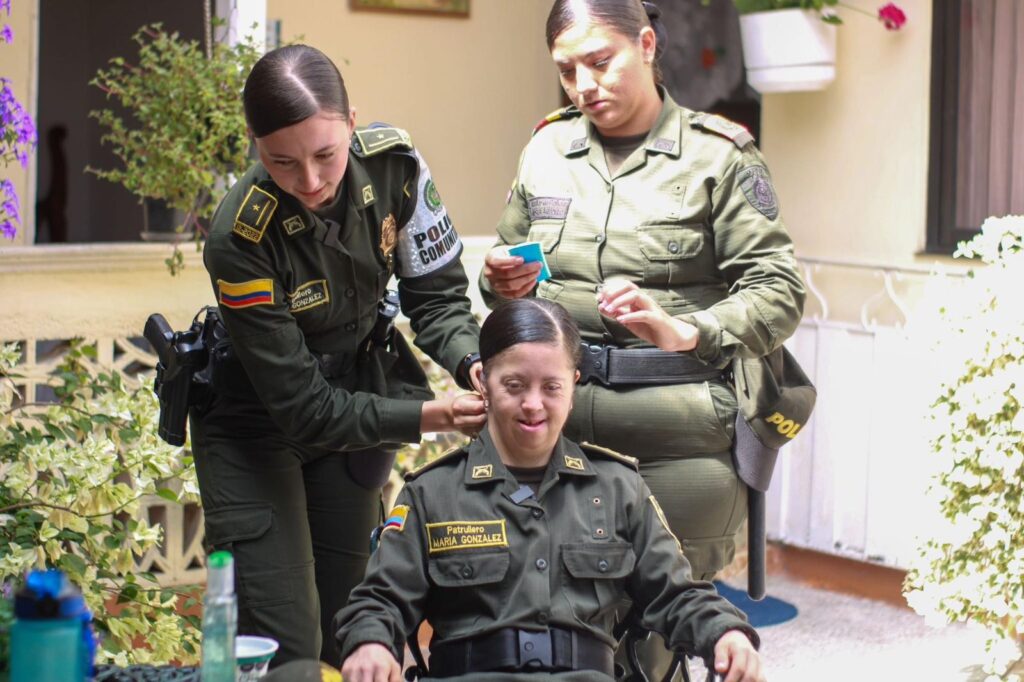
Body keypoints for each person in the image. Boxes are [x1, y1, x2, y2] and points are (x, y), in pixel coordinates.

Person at [480, 0, 805, 677]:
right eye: (569, 71)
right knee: (551, 631)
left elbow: (779, 290)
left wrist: (690, 328)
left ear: (648, 45)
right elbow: (510, 276)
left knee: (656, 634)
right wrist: (501, 283)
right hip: (555, 435)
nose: (585, 85)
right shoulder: (547, 148)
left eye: (602, 62)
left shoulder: (719, 156)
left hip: (676, 436)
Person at [191, 44, 485, 668]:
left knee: (353, 626)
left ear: (353, 121)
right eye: (282, 162)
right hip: (258, 426)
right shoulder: (239, 237)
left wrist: (469, 362)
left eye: (325, 154)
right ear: (255, 146)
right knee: (288, 649)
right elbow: (304, 409)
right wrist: (436, 415)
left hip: (353, 407)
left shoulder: (396, 168)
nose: (311, 181)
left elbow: (436, 297)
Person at [334, 298, 765, 682]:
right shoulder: (432, 493)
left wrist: (726, 633)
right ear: (483, 381)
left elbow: (676, 595)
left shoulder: (618, 487)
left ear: (573, 386)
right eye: (515, 385)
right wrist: (370, 642)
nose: (533, 404)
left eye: (552, 387)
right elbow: (380, 599)